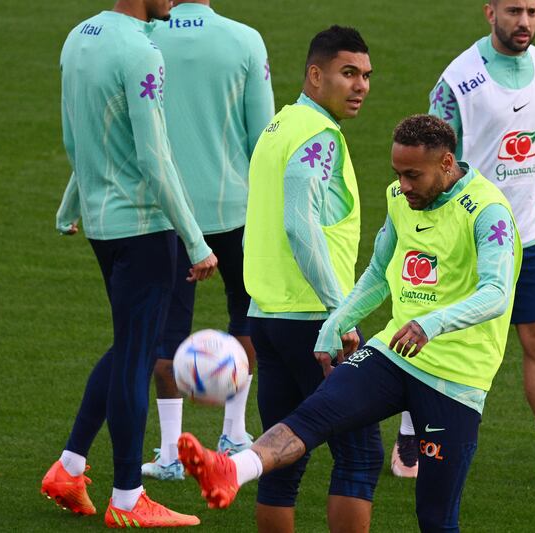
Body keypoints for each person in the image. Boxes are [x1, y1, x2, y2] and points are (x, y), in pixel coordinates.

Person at [177, 114, 522, 532]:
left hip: (456, 379)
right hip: (394, 354)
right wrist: (334, 323)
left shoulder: (488, 212)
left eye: (414, 175)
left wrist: (431, 324)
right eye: (398, 173)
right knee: (311, 416)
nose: (403, 185)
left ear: (447, 163)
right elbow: (378, 274)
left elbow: (496, 293)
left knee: (435, 517)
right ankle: (231, 470)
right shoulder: (399, 198)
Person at [394, 0, 535, 485]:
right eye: (514, 10)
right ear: (489, 12)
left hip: (528, 229)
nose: (525, 22)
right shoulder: (458, 82)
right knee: (435, 334)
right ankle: (410, 432)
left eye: (533, 11)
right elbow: (430, 162)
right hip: (470, 233)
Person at [40, 0, 217, 528]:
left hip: (101, 224)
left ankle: (69, 467)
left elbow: (79, 136)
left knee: (129, 346)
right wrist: (195, 241)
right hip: (143, 227)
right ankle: (127, 499)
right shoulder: (143, 51)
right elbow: (154, 156)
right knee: (138, 358)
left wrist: (72, 204)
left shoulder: (80, 35)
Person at [218, 25, 380, 533]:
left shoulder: (279, 126)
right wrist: (342, 312)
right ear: (315, 75)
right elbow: (298, 222)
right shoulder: (318, 137)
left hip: (267, 315)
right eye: (347, 73)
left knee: (282, 455)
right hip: (313, 320)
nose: (360, 86)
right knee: (360, 456)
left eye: (366, 76)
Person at [139, 0, 275, 482]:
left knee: (165, 334)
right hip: (238, 210)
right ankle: (235, 434)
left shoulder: (144, 37)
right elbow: (264, 136)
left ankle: (172, 453)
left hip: (166, 213)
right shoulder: (245, 40)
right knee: (246, 316)